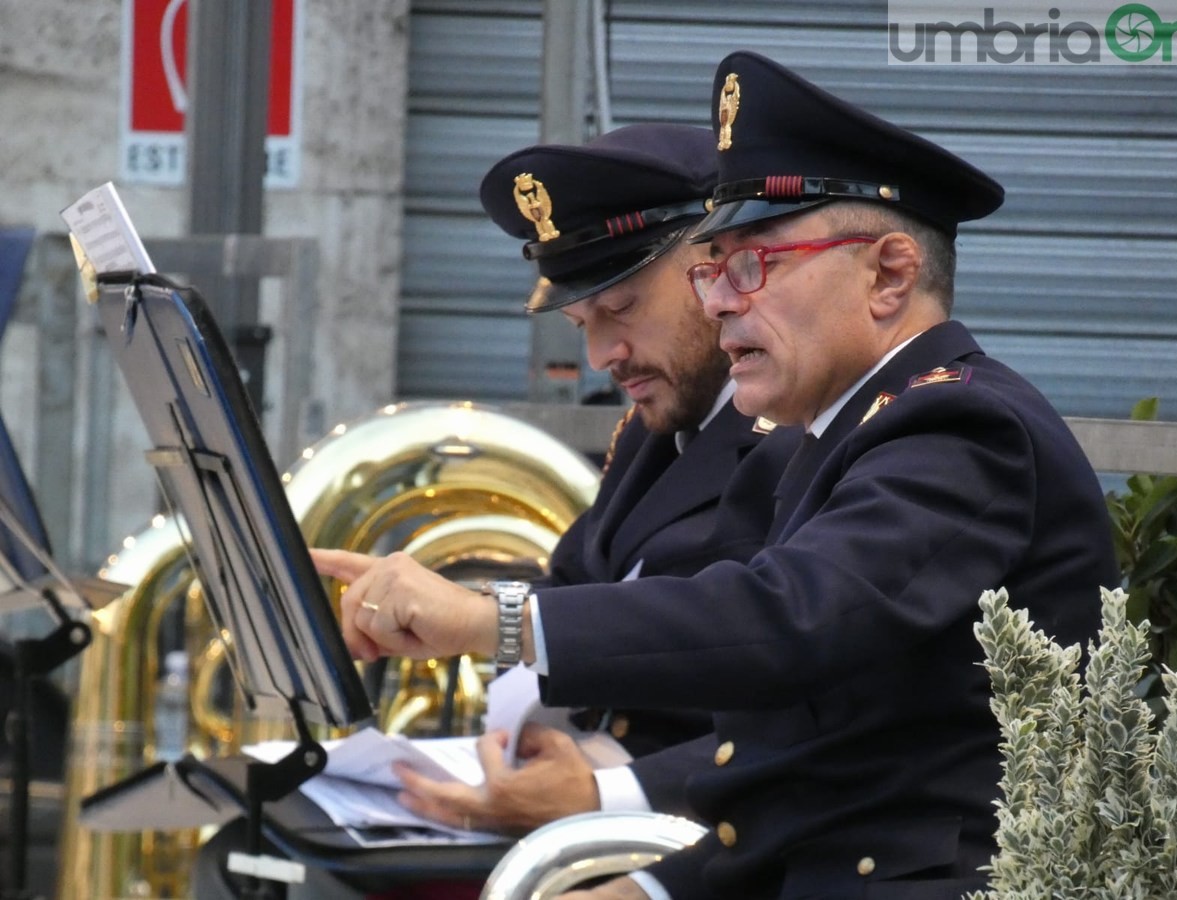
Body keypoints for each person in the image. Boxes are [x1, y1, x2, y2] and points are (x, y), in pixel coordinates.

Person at [315, 50, 1119, 900]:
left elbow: (785, 623)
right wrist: (652, 891)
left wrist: (496, 621)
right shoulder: (836, 437)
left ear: (888, 274)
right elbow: (796, 764)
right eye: (711, 270)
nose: (720, 302)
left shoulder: (960, 426)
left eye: (753, 266)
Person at [391, 122, 802, 837]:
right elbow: (580, 587)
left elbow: (790, 698)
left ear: (720, 270)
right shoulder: (657, 430)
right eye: (583, 319)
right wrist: (438, 607)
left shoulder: (796, 440)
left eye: (621, 309)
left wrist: (604, 789)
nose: (600, 355)